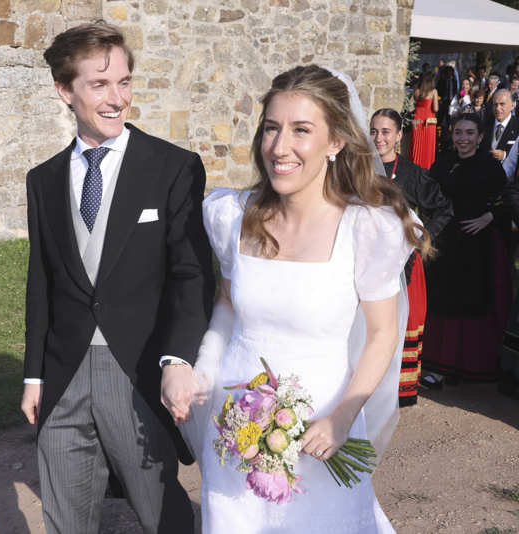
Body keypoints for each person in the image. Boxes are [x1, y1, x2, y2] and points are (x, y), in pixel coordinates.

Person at [178, 65, 430, 533]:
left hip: (324, 428)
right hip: (236, 430)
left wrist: (342, 416)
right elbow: (228, 307)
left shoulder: (366, 228)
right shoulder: (234, 216)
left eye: (301, 130)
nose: (279, 146)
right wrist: (205, 372)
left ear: (335, 142)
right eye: (272, 128)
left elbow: (381, 334)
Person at [21, 22, 214, 534]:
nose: (117, 99)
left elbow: (191, 273)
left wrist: (177, 359)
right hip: (62, 378)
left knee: (161, 516)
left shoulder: (172, 168)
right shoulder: (41, 181)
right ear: (65, 91)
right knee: (64, 519)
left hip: (135, 371)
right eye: (100, 84)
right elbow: (41, 279)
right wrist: (34, 375)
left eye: (124, 82)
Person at [370, 108, 453, 401]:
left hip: (399, 267)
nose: (379, 138)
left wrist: (420, 237)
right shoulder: (359, 169)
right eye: (374, 131)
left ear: (399, 135)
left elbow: (444, 208)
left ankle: (391, 388)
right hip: (363, 262)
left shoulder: (412, 174)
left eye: (386, 132)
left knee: (390, 326)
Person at [422, 114, 511, 384]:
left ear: (480, 136)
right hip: (444, 243)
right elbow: (428, 197)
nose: (463, 138)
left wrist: (489, 217)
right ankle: (437, 366)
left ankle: (464, 365)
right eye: (458, 132)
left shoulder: (490, 166)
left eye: (470, 133)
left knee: (469, 302)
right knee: (442, 300)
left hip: (475, 246)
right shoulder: (443, 164)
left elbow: (506, 200)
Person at [480, 89, 519, 163]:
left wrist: (505, 155)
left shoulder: (517, 126)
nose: (498, 108)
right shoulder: (485, 125)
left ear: (512, 105)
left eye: (502, 104)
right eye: (495, 104)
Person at [410, 72, 439, 170]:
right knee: (428, 146)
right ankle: (427, 167)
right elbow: (435, 108)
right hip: (428, 121)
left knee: (417, 145)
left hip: (417, 119)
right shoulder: (434, 91)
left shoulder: (416, 90)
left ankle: (415, 166)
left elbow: (411, 106)